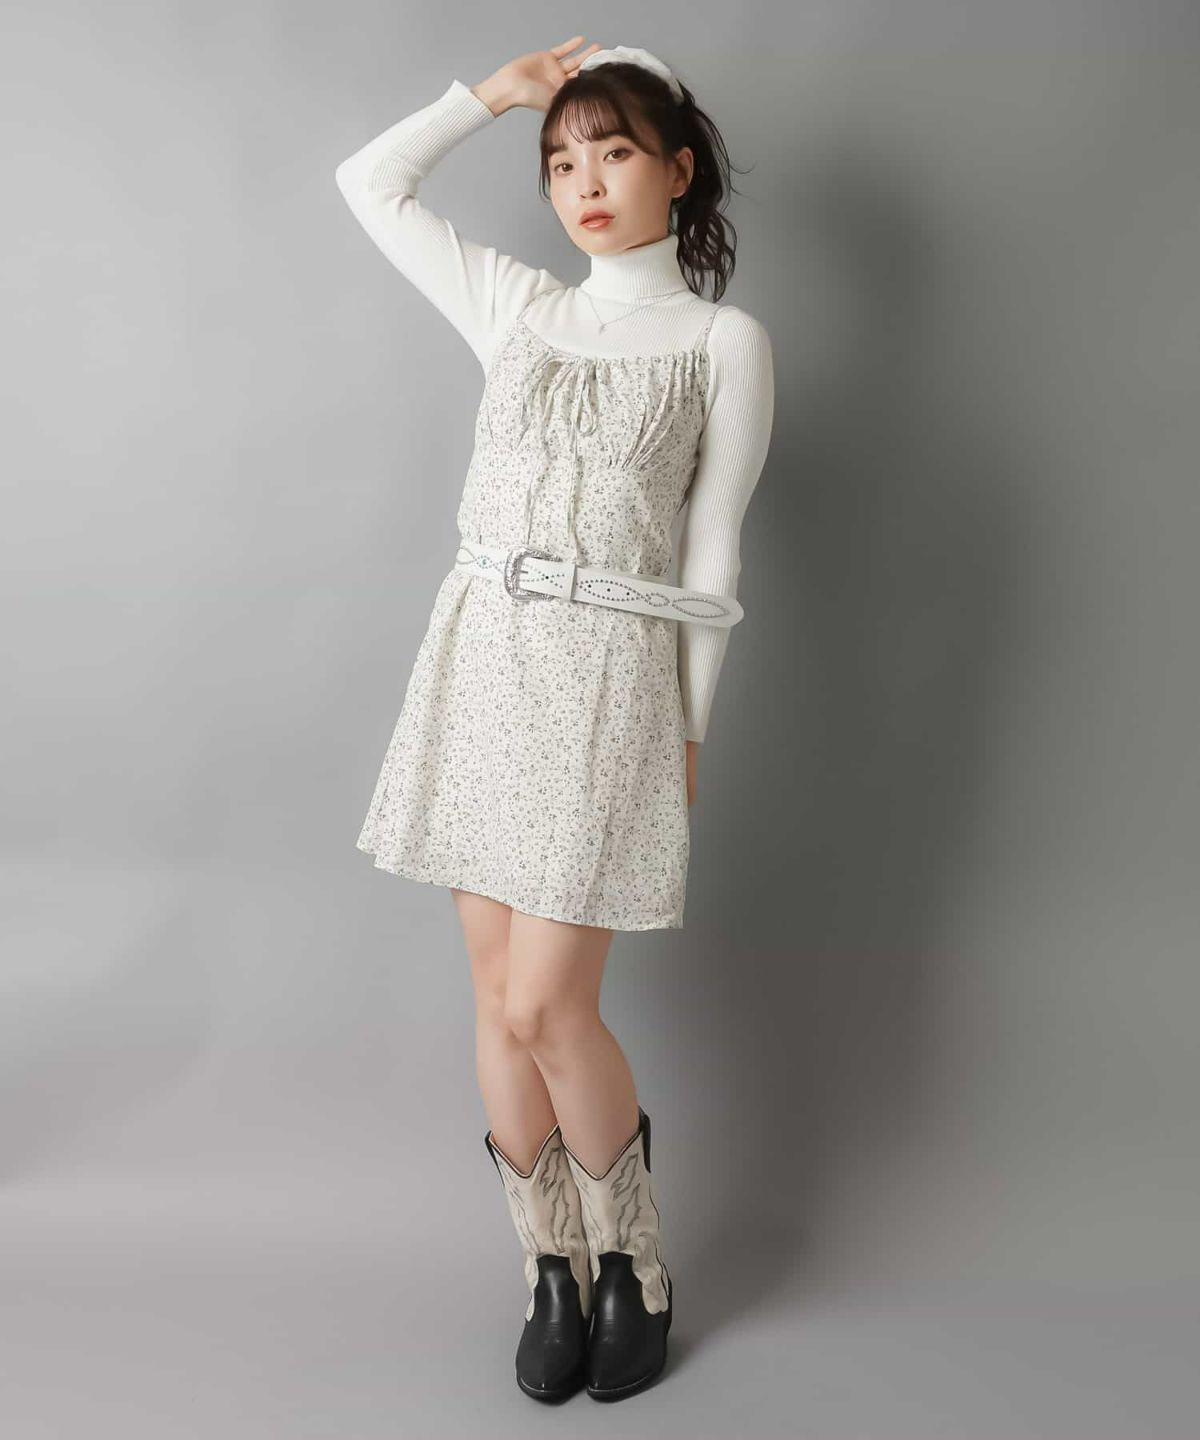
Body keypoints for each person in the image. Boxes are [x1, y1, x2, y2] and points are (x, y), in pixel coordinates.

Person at [334, 38, 775, 1403]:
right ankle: (554, 1271)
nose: (584, 181)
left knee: (548, 1002)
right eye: (562, 159)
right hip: (481, 655)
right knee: (492, 998)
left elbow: (711, 560)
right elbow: (369, 183)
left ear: (678, 170)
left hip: (609, 677)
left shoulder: (722, 343)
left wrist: (685, 734)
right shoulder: (517, 307)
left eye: (615, 151)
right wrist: (493, 96)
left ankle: (635, 1263)